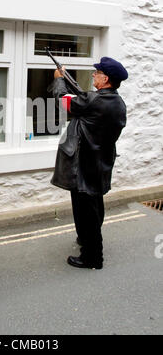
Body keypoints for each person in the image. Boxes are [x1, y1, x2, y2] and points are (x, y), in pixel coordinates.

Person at [51, 57, 128, 269]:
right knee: (95, 206)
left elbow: (63, 100)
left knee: (85, 210)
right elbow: (84, 102)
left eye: (97, 73)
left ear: (106, 79)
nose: (93, 75)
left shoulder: (94, 100)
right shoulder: (117, 102)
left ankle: (92, 256)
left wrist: (59, 79)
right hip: (100, 162)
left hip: (84, 164)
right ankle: (87, 240)